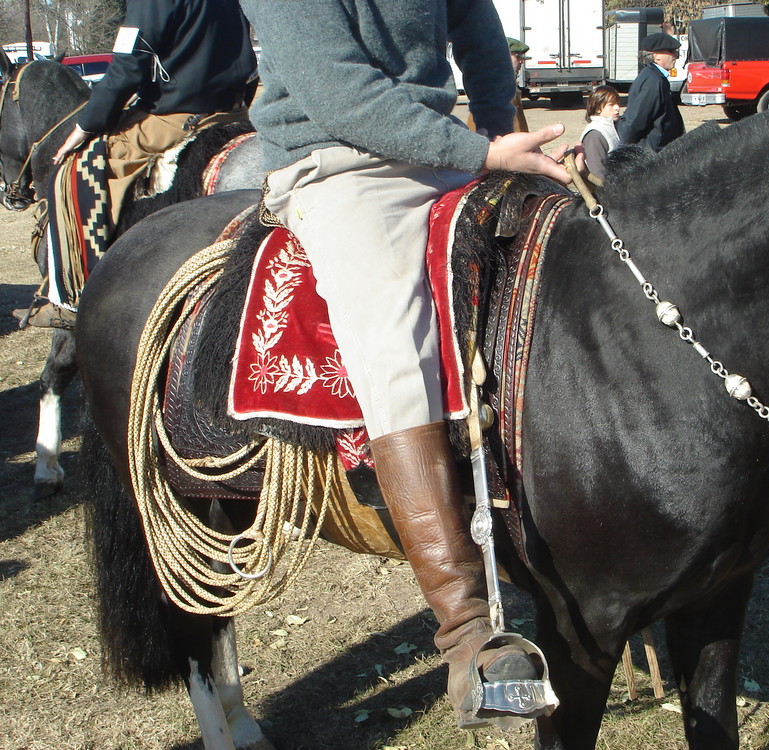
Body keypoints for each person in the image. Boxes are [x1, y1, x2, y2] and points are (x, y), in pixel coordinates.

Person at [238, 0, 574, 729]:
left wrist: (503, 126)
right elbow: (337, 91)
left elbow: (476, 27)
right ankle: (466, 632)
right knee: (396, 344)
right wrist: (483, 153)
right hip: (341, 164)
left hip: (445, 150)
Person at [15, 0, 257, 329]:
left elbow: (128, 67)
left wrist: (87, 125)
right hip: (232, 112)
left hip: (172, 118)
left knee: (71, 169)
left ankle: (72, 299)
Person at [617, 32, 685, 152]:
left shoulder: (656, 77)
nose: (676, 56)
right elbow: (636, 120)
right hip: (652, 154)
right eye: (671, 51)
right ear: (656, 56)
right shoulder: (653, 81)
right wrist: (625, 151)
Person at [468, 37, 529, 133]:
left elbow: (520, 126)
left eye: (522, 57)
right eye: (518, 56)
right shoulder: (496, 88)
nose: (522, 61)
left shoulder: (507, 84)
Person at [581, 85, 621, 182]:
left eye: (617, 103)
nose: (617, 108)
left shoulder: (610, 127)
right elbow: (597, 173)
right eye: (611, 105)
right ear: (598, 108)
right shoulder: (595, 135)